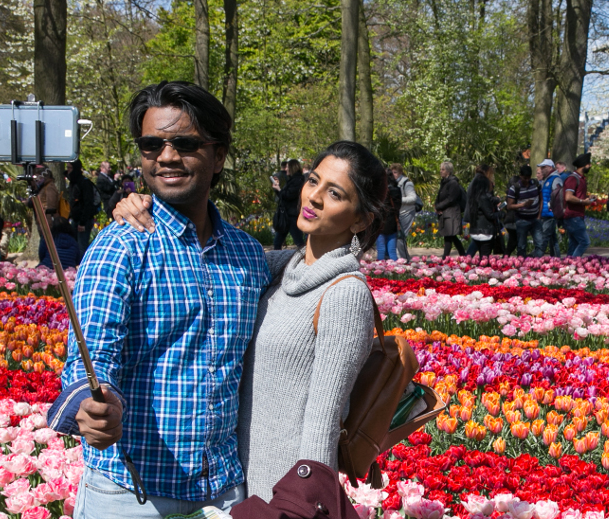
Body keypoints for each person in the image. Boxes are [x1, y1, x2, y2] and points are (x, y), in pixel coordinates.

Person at [111, 140, 382, 506]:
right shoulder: (279, 267)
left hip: (280, 494)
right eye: (313, 181)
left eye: (334, 193)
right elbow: (211, 254)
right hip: (231, 484)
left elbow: (324, 421)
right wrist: (145, 205)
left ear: (361, 218)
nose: (314, 197)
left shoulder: (344, 295)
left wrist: (296, 505)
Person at [59, 81, 270, 519]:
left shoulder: (248, 254)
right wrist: (94, 405)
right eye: (152, 145)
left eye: (185, 144)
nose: (167, 157)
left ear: (219, 156)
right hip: (131, 494)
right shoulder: (123, 245)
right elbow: (92, 353)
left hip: (225, 491)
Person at [562, 153, 594, 257]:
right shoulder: (573, 178)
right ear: (584, 165)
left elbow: (578, 195)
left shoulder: (581, 179)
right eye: (589, 164)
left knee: (574, 244)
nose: (590, 166)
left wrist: (588, 198)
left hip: (577, 215)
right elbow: (568, 197)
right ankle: (574, 264)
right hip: (573, 216)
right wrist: (583, 202)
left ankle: (568, 266)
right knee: (585, 242)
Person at [65, 159, 97, 261]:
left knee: (81, 246)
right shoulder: (73, 182)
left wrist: (83, 222)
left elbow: (88, 203)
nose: (68, 170)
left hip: (83, 220)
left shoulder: (84, 183)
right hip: (75, 218)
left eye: (70, 168)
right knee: (74, 245)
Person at [506, 165, 541, 257]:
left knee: (540, 244)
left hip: (535, 218)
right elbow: (509, 206)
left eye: (529, 178)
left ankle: (536, 262)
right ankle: (522, 264)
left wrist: (539, 215)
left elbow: (541, 199)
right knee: (521, 246)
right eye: (525, 178)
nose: (527, 180)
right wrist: (523, 205)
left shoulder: (535, 184)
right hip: (522, 219)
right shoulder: (514, 188)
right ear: (520, 176)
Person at [467, 170, 503, 258]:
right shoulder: (483, 197)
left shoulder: (474, 196)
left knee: (481, 257)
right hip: (485, 231)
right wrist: (501, 214)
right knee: (484, 258)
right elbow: (490, 215)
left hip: (476, 230)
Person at [271, 158, 305, 250]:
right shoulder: (292, 180)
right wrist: (277, 189)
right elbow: (283, 196)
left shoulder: (298, 180)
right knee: (277, 242)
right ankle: (277, 261)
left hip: (292, 215)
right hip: (286, 215)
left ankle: (305, 259)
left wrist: (279, 189)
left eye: (287, 167)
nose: (286, 169)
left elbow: (289, 196)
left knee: (299, 242)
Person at [434, 161, 465, 259]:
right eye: (441, 169)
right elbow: (440, 197)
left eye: (443, 169)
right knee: (450, 237)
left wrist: (439, 206)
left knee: (450, 236)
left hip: (452, 213)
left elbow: (451, 198)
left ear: (448, 171)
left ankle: (445, 258)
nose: (441, 171)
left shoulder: (453, 183)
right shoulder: (444, 182)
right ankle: (462, 256)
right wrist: (436, 206)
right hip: (445, 213)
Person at [535, 159, 561, 257]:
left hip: (550, 213)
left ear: (550, 167)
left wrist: (553, 208)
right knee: (553, 239)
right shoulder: (547, 179)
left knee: (543, 238)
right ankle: (556, 258)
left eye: (543, 167)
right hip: (546, 213)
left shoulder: (555, 179)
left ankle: (537, 258)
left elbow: (558, 196)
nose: (541, 170)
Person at [391, 163, 417, 260]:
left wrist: (398, 200)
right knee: (398, 237)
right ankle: (403, 257)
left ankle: (405, 259)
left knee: (400, 237)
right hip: (398, 213)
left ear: (400, 172)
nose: (394, 174)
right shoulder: (393, 183)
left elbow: (413, 198)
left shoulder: (407, 183)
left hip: (407, 213)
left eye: (395, 172)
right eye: (392, 172)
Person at [375, 169, 401, 260]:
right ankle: (395, 270)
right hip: (393, 222)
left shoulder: (382, 191)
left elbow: (379, 207)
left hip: (382, 223)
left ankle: (380, 271)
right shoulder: (397, 190)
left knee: (381, 249)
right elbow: (398, 206)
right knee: (392, 250)